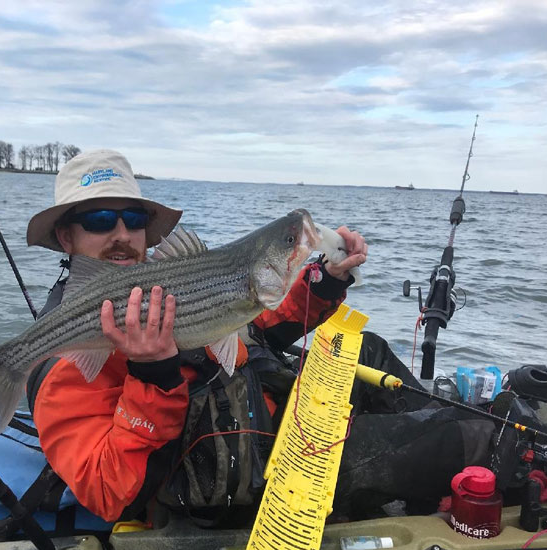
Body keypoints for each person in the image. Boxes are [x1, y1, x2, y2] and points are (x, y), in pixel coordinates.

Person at [26, 149, 496, 527]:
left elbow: (249, 326)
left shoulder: (165, 287)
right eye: (100, 220)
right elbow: (109, 493)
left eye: (133, 218)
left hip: (265, 414)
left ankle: (440, 462)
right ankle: (475, 461)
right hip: (250, 477)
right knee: (470, 436)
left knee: (367, 347)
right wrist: (153, 376)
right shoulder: (64, 356)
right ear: (66, 237)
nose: (123, 234)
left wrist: (325, 281)